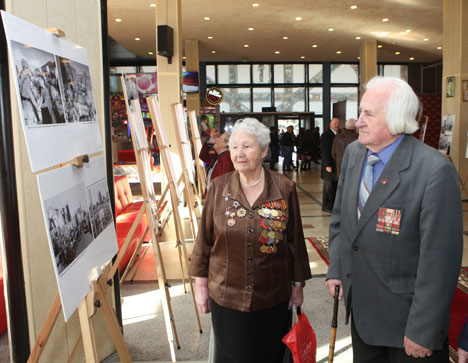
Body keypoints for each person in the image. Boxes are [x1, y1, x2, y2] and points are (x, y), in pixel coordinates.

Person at [326, 76, 463, 362]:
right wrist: (337, 267)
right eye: (360, 111)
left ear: (398, 119)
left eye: (368, 114)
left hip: (406, 324)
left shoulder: (434, 171)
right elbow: (341, 218)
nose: (358, 121)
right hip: (363, 314)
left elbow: (440, 261)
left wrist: (423, 330)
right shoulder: (354, 153)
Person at [189, 118, 312, 363]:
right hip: (226, 294)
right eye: (234, 147)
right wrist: (201, 287)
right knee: (231, 356)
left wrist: (297, 285)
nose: (238, 153)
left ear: (264, 150)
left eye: (247, 146)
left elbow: (294, 241)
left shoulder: (284, 187)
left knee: (270, 355)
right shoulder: (218, 187)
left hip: (272, 295)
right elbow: (204, 240)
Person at [199, 131, 234, 196]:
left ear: (226, 144)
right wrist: (209, 142)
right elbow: (202, 156)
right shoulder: (219, 156)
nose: (216, 139)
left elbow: (224, 184)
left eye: (220, 138)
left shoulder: (227, 159)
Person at [320, 118, 340, 213]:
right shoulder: (326, 135)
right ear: (330, 124)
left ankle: (332, 205)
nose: (337, 125)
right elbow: (324, 151)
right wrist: (327, 164)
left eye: (338, 123)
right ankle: (326, 206)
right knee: (328, 187)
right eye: (335, 123)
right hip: (329, 166)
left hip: (336, 166)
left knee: (334, 186)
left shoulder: (339, 134)